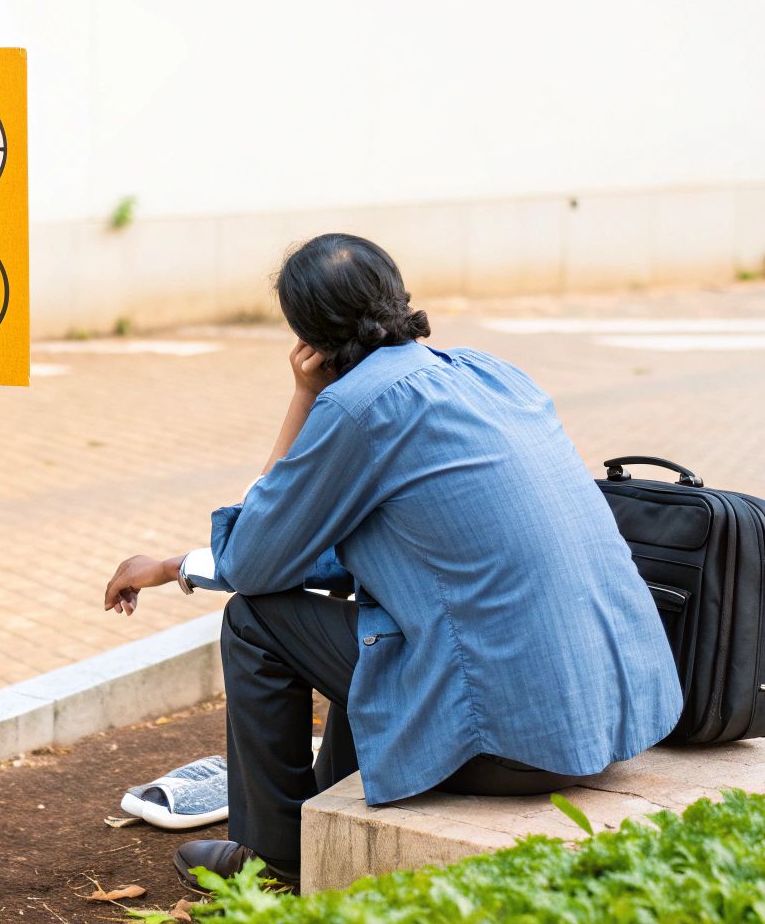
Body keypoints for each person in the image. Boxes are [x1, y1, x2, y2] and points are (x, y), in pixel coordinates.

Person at [102, 233, 682, 891]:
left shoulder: (358, 406)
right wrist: (178, 563)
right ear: (396, 294)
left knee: (254, 622)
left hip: (512, 749)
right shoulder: (488, 372)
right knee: (373, 613)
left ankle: (274, 862)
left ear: (306, 334)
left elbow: (258, 559)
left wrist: (303, 398)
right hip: (616, 714)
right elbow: (347, 553)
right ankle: (321, 810)